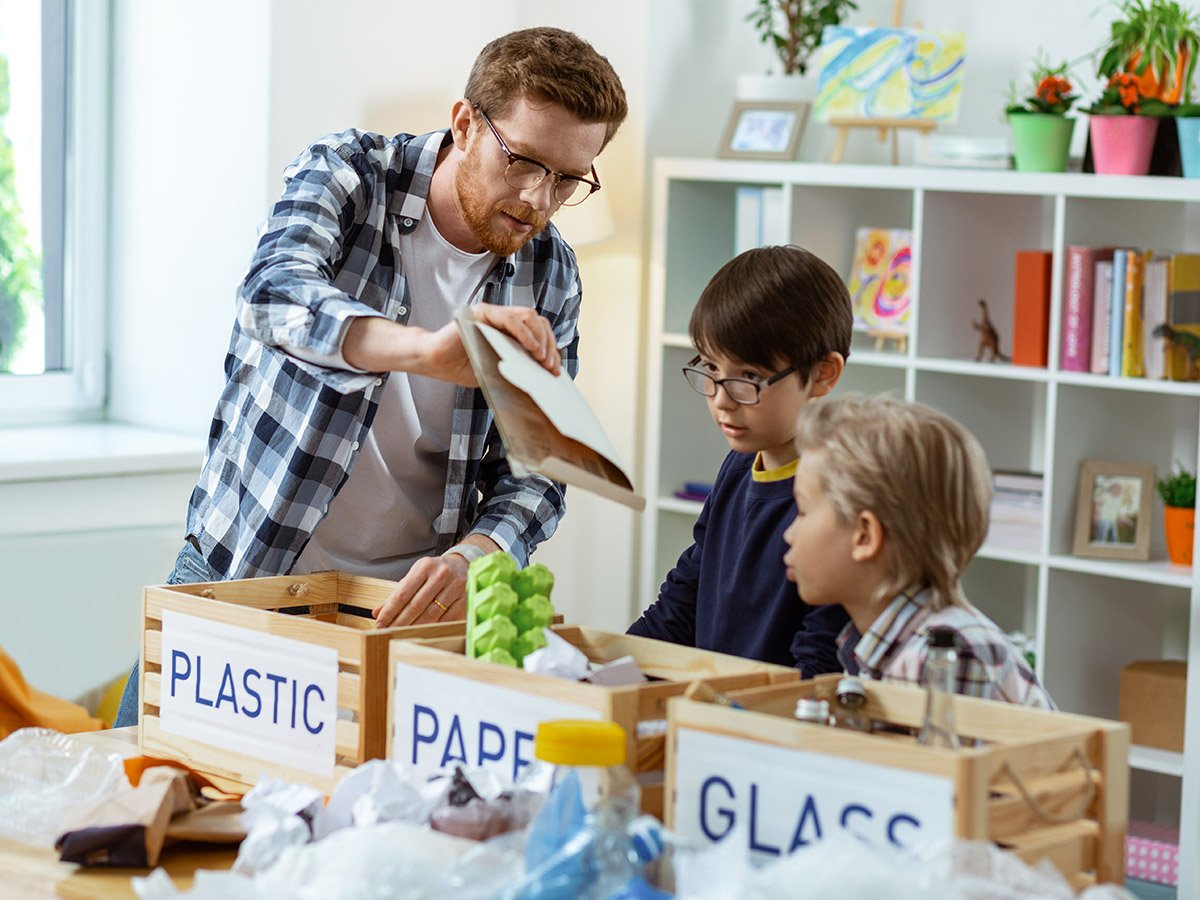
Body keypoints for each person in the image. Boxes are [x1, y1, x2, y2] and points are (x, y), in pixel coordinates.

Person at [113, 27, 627, 728]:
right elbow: (274, 296)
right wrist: (421, 351)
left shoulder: (551, 273)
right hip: (245, 571)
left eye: (570, 179)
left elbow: (541, 470)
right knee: (132, 800)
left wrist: (477, 555)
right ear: (466, 122)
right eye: (525, 162)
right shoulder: (350, 176)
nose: (540, 199)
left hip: (396, 615)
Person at [627, 245, 852, 674]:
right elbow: (682, 603)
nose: (722, 400)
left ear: (823, 373)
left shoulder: (840, 495)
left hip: (773, 725)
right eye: (711, 368)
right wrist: (609, 672)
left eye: (749, 377)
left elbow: (818, 665)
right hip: (714, 713)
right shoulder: (738, 465)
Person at [782, 393, 1055, 708]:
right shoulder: (879, 646)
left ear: (865, 536)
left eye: (802, 511)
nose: (789, 533)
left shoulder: (944, 654)